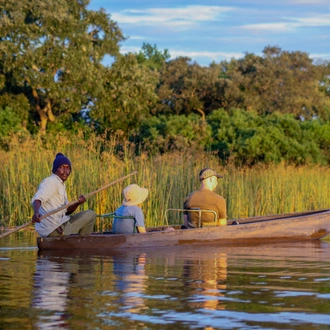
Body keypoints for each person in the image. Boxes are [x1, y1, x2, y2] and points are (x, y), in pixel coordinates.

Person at [31, 153, 96, 237]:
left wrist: (78, 203)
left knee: (85, 215)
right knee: (91, 214)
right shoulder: (51, 181)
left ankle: (78, 241)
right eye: (61, 167)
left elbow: (67, 211)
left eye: (68, 168)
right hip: (55, 229)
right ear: (55, 170)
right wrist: (36, 213)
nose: (65, 171)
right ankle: (83, 242)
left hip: (56, 226)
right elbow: (38, 199)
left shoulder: (60, 184)